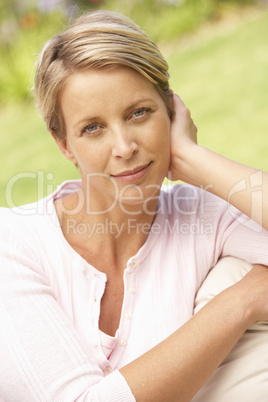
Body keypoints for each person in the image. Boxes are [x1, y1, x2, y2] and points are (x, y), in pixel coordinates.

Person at [0, 9, 268, 401]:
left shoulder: (205, 215)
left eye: (139, 113)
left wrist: (193, 160)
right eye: (92, 128)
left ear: (171, 110)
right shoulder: (13, 244)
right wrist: (242, 301)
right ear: (63, 143)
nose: (124, 148)